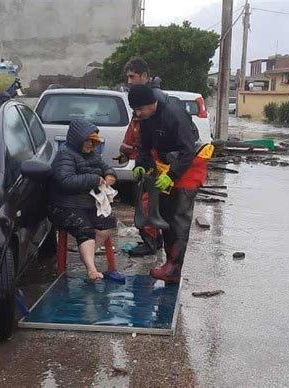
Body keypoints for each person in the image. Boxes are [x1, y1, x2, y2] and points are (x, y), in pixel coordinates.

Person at [128, 84, 211, 283]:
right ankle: (169, 263)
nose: (138, 114)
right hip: (167, 164)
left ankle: (175, 267)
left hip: (189, 166)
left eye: (140, 109)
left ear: (151, 103)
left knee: (178, 218)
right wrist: (141, 164)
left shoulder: (174, 115)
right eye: (135, 111)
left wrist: (172, 176)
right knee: (164, 215)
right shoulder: (146, 118)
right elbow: (145, 146)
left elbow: (188, 150)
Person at [48, 119, 117, 281]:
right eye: (88, 141)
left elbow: (106, 167)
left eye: (94, 142)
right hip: (64, 205)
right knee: (85, 229)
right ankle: (91, 269)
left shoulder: (93, 156)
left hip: (87, 203)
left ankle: (87, 255)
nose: (91, 145)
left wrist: (110, 175)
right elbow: (66, 181)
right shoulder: (65, 155)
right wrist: (94, 179)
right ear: (78, 140)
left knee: (107, 224)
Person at [120, 57, 167, 257]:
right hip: (148, 160)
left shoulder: (153, 101)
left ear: (145, 76)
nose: (129, 81)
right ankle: (154, 240)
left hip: (158, 161)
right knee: (147, 202)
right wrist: (126, 150)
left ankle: (152, 243)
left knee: (148, 204)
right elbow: (134, 130)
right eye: (127, 77)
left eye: (133, 76)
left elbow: (143, 131)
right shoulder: (140, 99)